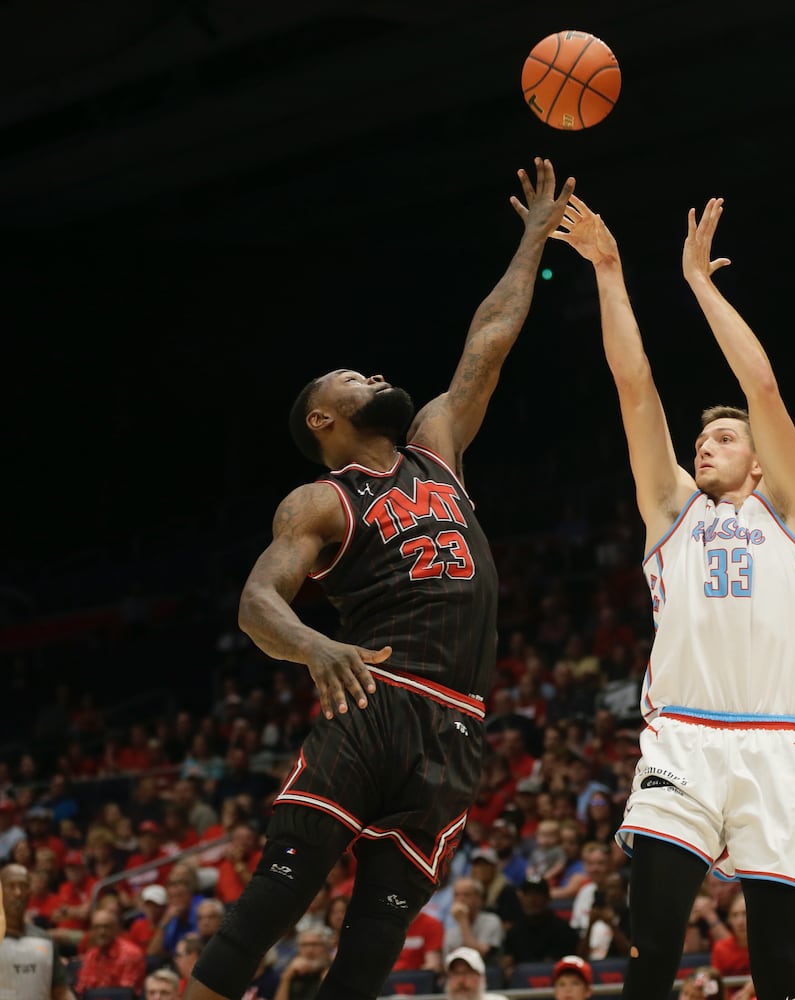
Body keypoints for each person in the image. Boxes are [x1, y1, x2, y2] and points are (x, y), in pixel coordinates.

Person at [183, 158, 575, 1000]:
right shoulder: (321, 501)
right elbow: (257, 602)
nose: (372, 374)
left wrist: (531, 238)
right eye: (351, 379)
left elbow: (488, 341)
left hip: (458, 724)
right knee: (274, 902)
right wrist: (314, 645)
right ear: (323, 418)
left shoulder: (436, 445)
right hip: (375, 696)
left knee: (371, 949)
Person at [555, 192, 795, 1000]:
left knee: (776, 969)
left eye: (723, 438)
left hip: (773, 747)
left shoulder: (789, 513)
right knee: (655, 948)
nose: (706, 444)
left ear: (761, 463)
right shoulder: (672, 512)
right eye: (701, 439)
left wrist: (700, 283)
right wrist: (607, 271)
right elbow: (635, 388)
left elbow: (763, 388)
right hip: (682, 743)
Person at [0, 863, 74, 1000]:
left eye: (23, 886)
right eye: (11, 886)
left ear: (30, 892)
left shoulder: (45, 939)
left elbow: (61, 992)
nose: (18, 893)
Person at [76, 904, 148, 996]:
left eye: (106, 927)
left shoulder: (131, 954)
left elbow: (124, 994)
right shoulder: (90, 955)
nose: (102, 932)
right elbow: (81, 990)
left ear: (116, 929)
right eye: (97, 927)